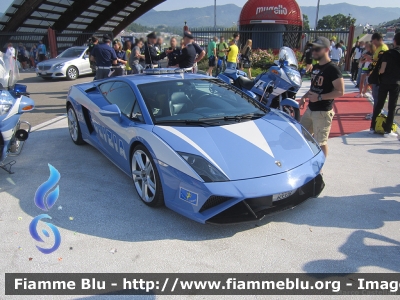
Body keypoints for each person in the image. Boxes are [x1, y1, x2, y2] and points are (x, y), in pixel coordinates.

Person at [299, 37, 345, 158]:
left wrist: (320, 97)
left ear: (326, 49)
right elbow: (314, 87)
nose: (314, 52)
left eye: (317, 49)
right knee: (302, 135)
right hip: (311, 109)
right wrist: (304, 96)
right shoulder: (316, 67)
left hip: (323, 112)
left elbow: (340, 91)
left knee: (321, 142)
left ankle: (319, 169)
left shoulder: (333, 69)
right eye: (312, 49)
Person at [370, 32, 400, 137]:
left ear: (394, 41)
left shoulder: (388, 54)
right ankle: (388, 130)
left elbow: (381, 70)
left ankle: (373, 126)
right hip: (396, 83)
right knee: (392, 106)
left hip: (384, 82)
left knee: (379, 104)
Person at [366, 32, 389, 120]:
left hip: (378, 76)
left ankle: (376, 114)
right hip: (375, 75)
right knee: (375, 95)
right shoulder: (378, 48)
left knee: (377, 96)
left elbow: (380, 63)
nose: (373, 43)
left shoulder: (382, 49)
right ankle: (375, 112)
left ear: (379, 39)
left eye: (374, 41)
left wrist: (371, 60)